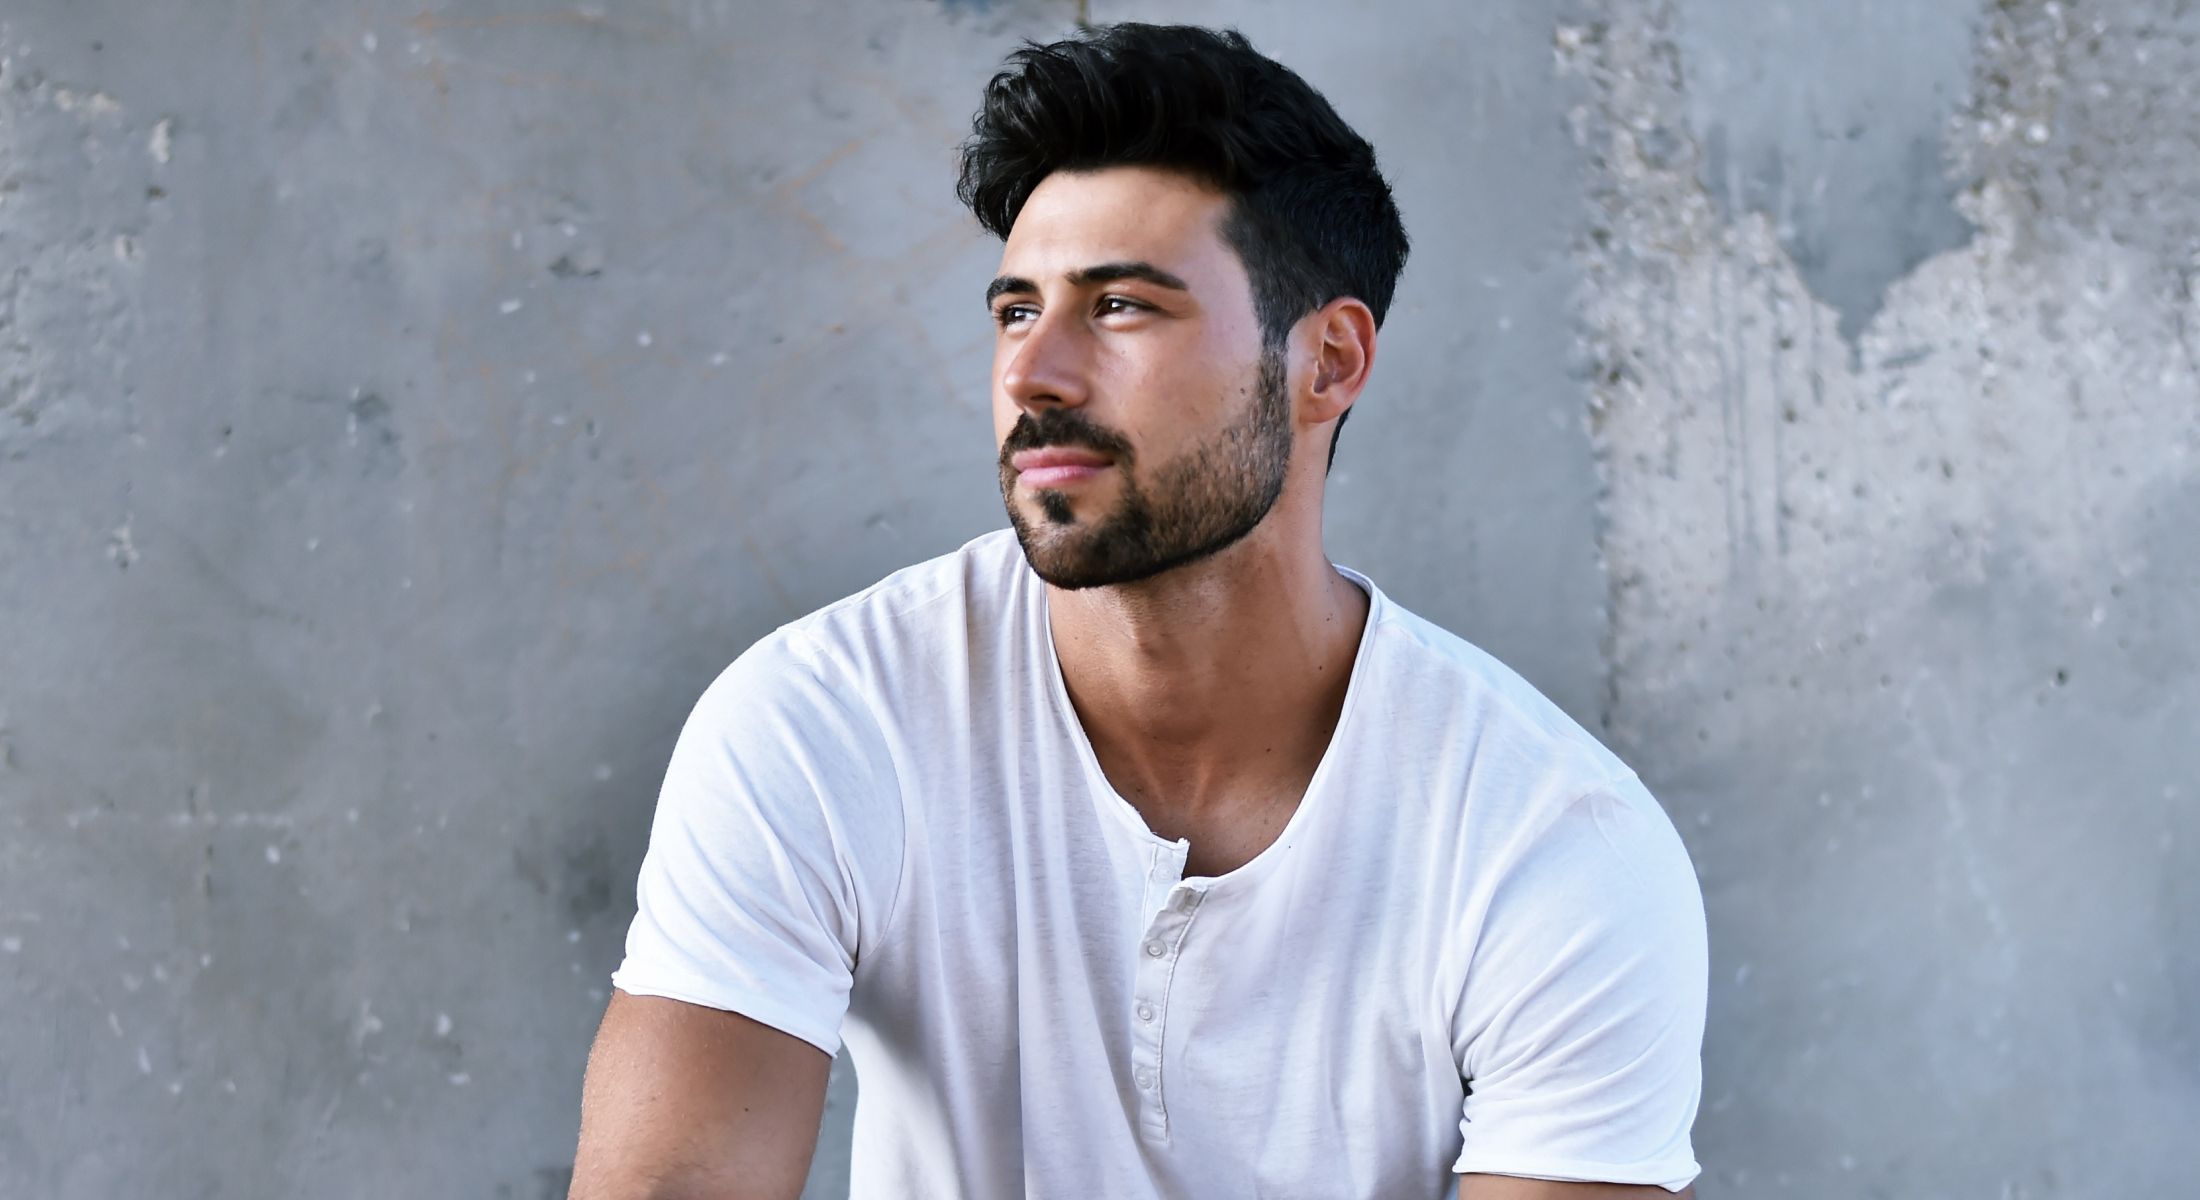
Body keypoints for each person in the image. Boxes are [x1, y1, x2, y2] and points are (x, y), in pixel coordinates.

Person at [569, 22, 1705, 1200]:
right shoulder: (827, 719)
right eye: (1015, 310)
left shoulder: (1551, 846)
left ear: (1327, 361)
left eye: (1119, 306)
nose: (1032, 372)